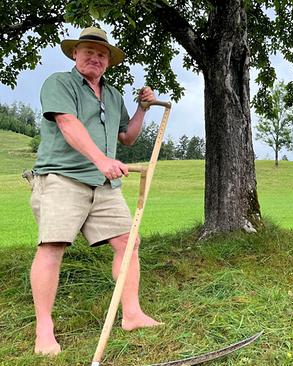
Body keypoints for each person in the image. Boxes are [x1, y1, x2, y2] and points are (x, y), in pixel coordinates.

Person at [29, 26, 161, 356]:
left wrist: (143, 109)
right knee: (52, 245)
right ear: (75, 54)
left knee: (128, 243)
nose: (95, 58)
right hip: (62, 177)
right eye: (88, 51)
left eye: (102, 54)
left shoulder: (114, 95)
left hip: (103, 185)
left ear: (108, 62)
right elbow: (67, 124)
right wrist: (102, 160)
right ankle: (43, 329)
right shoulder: (59, 84)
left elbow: (127, 138)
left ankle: (131, 314)